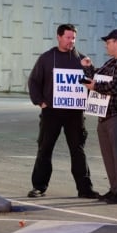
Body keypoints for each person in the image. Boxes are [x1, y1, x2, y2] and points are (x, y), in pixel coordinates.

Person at [27, 24, 99, 199]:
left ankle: (85, 188)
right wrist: (40, 102)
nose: (71, 41)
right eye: (68, 37)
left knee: (78, 150)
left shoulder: (82, 60)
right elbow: (34, 81)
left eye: (73, 38)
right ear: (59, 37)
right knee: (45, 149)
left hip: (74, 113)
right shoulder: (46, 58)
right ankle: (39, 186)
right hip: (51, 111)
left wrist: (88, 69)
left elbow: (94, 83)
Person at [81, 29, 117, 205]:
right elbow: (98, 77)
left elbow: (115, 86)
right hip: (105, 115)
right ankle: (114, 188)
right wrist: (88, 68)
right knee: (109, 155)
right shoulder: (111, 63)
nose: (106, 45)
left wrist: (95, 86)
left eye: (108, 42)